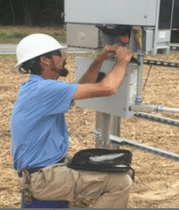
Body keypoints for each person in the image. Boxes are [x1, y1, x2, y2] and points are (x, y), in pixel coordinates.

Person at [10, 33, 133, 208]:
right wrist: (122, 61)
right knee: (120, 182)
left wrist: (99, 60)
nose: (64, 58)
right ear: (45, 60)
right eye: (59, 54)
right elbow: (108, 87)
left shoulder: (36, 87)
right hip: (45, 178)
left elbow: (83, 88)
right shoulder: (46, 89)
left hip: (40, 173)